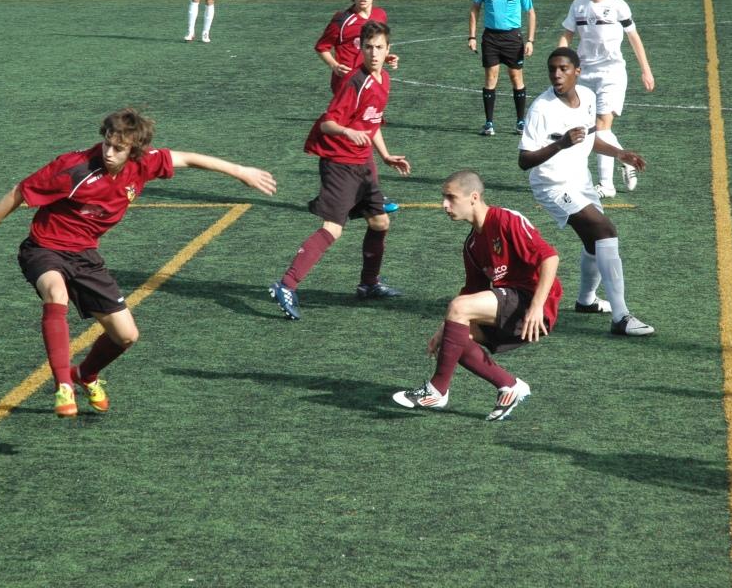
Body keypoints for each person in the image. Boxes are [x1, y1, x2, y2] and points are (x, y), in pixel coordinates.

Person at [0, 108, 277, 417]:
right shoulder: (74, 168)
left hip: (86, 255)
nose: (109, 152)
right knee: (55, 293)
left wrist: (241, 172)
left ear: (135, 150)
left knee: (126, 335)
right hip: (44, 248)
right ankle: (63, 386)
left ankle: (84, 375)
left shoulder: (144, 164)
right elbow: (20, 190)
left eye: (118, 148)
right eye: (107, 144)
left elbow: (188, 158)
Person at [269, 21, 410, 321]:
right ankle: (286, 285)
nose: (374, 53)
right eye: (369, 47)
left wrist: (385, 155)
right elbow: (327, 124)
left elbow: (372, 123)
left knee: (380, 222)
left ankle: (368, 284)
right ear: (360, 48)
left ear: (388, 50)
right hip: (339, 163)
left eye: (380, 48)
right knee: (333, 229)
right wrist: (347, 133)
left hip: (365, 163)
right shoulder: (354, 84)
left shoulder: (384, 79)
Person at [392, 170, 560, 421]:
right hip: (508, 306)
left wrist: (536, 307)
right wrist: (445, 327)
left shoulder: (506, 220)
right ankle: (509, 386)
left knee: (458, 310)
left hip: (532, 301)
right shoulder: (472, 245)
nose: (444, 205)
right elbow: (471, 293)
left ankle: (437, 390)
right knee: (454, 338)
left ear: (473, 197)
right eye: (443, 198)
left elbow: (550, 257)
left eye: (450, 197)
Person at [518, 48, 654, 336]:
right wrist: (560, 144)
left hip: (580, 181)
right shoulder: (541, 109)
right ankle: (621, 316)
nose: (557, 74)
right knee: (605, 230)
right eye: (552, 69)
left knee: (594, 242)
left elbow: (588, 140)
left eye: (563, 68)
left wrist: (619, 153)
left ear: (576, 71)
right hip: (552, 184)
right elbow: (524, 160)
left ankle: (586, 300)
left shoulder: (588, 98)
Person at [558, 0, 655, 198]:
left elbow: (634, 38)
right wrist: (561, 61)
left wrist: (646, 70)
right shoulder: (578, 5)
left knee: (601, 127)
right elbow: (567, 34)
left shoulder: (618, 5)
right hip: (585, 74)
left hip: (611, 74)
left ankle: (606, 185)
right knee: (590, 129)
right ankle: (626, 159)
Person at [314, 0, 400, 214]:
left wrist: (386, 58)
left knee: (364, 133)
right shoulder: (342, 21)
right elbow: (321, 47)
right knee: (356, 136)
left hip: (370, 81)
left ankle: (345, 193)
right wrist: (333, 65)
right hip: (349, 86)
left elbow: (378, 45)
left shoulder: (380, 15)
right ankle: (370, 195)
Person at [468, 0, 536, 136]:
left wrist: (530, 40)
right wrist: (472, 37)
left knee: (516, 77)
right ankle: (489, 123)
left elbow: (530, 13)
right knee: (491, 77)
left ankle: (520, 122)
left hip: (512, 38)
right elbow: (474, 10)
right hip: (490, 38)